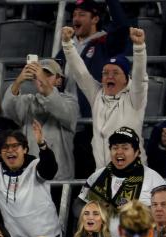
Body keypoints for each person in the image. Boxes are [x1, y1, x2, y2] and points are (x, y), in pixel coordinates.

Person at [56, 0, 131, 179]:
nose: (76, 18)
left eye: (82, 14)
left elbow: (121, 26)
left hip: (91, 123)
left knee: (89, 177)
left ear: (95, 18)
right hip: (68, 124)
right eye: (74, 15)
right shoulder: (67, 45)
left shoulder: (104, 43)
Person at [63, 26, 148, 169]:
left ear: (126, 78)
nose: (109, 76)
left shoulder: (135, 98)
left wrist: (139, 48)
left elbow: (140, 77)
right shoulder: (96, 94)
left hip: (132, 174)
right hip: (103, 174)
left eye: (115, 72)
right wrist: (67, 44)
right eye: (105, 72)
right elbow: (81, 73)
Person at [77, 127, 166, 237]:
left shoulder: (154, 179)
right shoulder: (97, 176)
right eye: (115, 148)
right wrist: (96, 209)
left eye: (125, 148)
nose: (119, 152)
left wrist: (136, 210)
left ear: (137, 152)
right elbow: (77, 207)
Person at [2, 58, 78, 182]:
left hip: (59, 180)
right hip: (31, 179)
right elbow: (8, 109)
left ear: (59, 80)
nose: (42, 79)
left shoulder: (70, 102)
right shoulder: (29, 101)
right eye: (38, 76)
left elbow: (60, 108)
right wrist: (18, 82)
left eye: (48, 75)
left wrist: (43, 81)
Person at [0, 124, 61, 237]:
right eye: (5, 147)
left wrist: (42, 145)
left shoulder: (35, 165)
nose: (10, 150)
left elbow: (49, 171)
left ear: (25, 149)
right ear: (0, 152)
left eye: (15, 146)